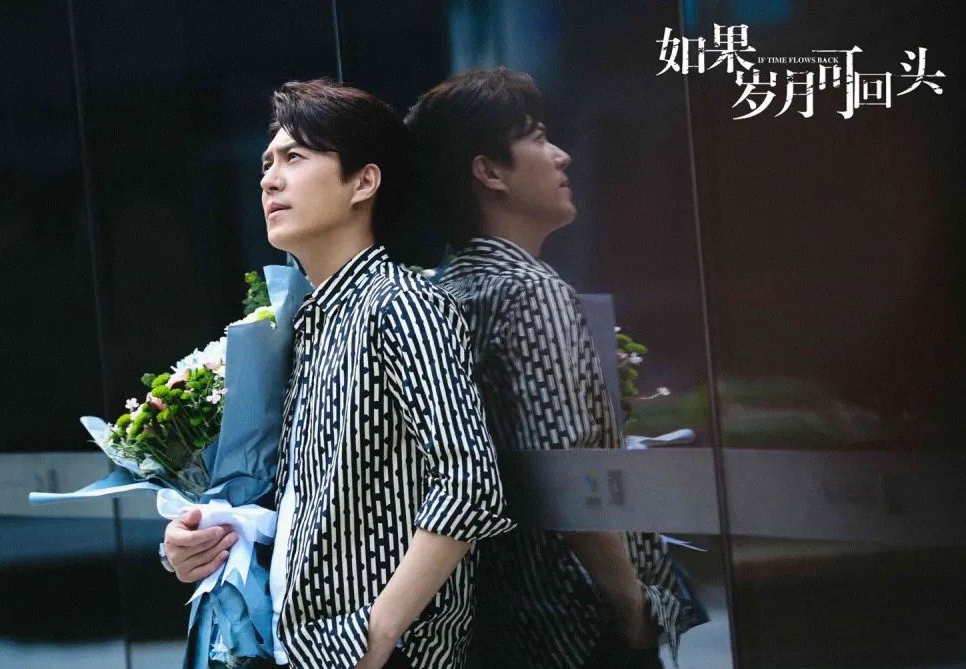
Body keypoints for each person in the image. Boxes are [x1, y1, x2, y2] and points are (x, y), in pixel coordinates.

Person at [163, 78, 517, 669]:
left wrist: (373, 638)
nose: (269, 179)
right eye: (266, 164)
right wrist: (200, 540)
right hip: (306, 649)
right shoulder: (310, 324)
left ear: (364, 182)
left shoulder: (402, 305)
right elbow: (307, 504)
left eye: (295, 158)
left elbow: (470, 484)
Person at [404, 67, 691, 668]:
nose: (561, 156)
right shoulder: (529, 290)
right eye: (536, 138)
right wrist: (632, 609)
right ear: (489, 172)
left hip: (494, 622)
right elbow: (570, 478)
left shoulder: (441, 293)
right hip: (575, 625)